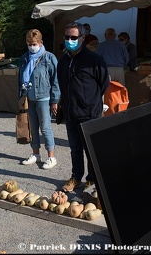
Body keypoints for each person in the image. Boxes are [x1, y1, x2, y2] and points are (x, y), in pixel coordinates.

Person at [57, 22, 110, 192]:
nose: (70, 40)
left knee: (91, 149)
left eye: (73, 37)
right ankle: (76, 177)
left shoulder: (94, 60)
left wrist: (91, 101)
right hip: (71, 112)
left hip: (89, 113)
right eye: (67, 37)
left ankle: (92, 179)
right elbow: (61, 83)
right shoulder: (63, 60)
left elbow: (104, 83)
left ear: (82, 38)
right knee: (75, 148)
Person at [18, 29, 60, 169]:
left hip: (44, 97)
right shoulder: (24, 58)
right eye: (29, 44)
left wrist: (55, 100)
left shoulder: (49, 58)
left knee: (46, 127)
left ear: (41, 42)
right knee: (33, 127)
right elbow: (20, 78)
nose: (31, 46)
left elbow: (56, 80)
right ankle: (36, 154)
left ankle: (51, 156)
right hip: (29, 96)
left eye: (34, 43)